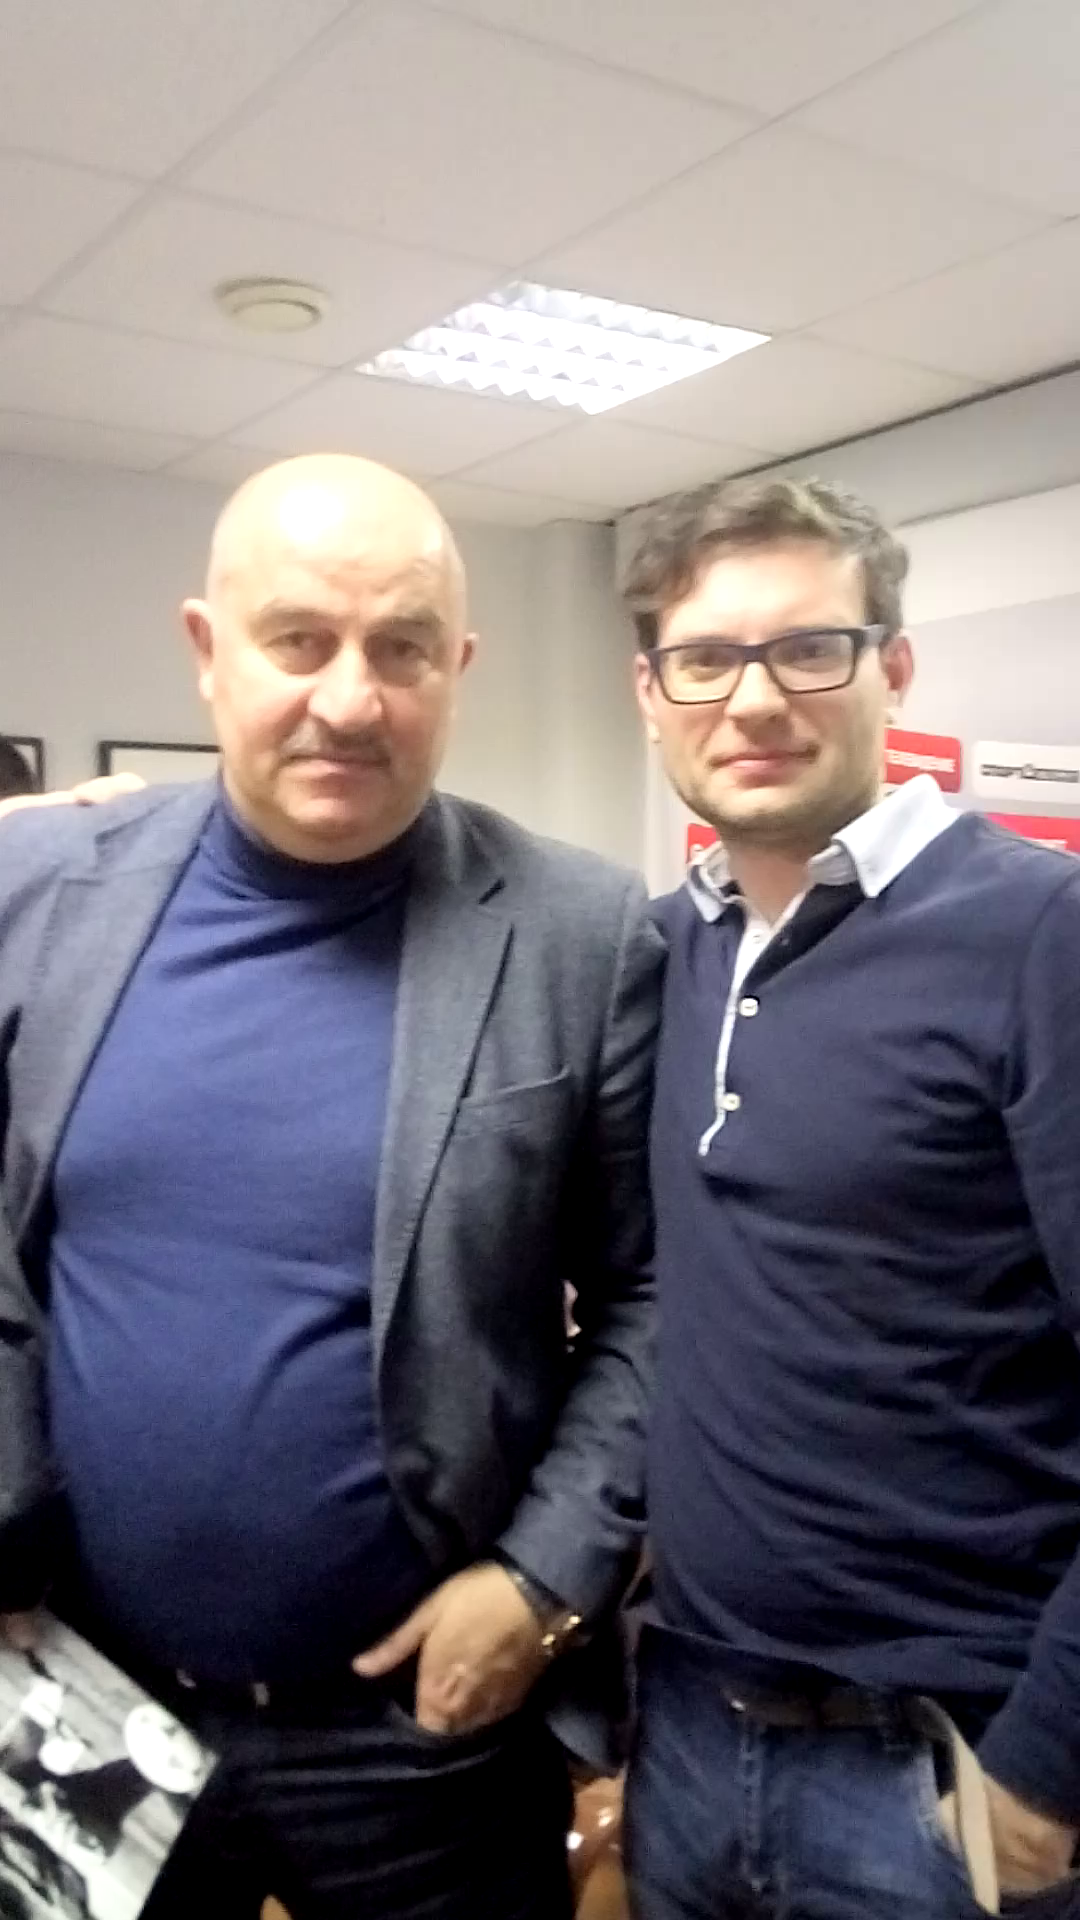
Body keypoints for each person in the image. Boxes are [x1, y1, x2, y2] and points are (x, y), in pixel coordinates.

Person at [0, 453, 662, 1920]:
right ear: (207, 651)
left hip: (418, 1737)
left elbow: (655, 1293)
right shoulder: (38, 895)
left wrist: (544, 1582)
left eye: (402, 648)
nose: (350, 700)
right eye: (298, 640)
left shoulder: (580, 933)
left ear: (457, 667)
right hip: (78, 1698)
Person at [621, 475, 1080, 1920]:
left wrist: (1051, 1772)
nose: (754, 699)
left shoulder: (1041, 937)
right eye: (707, 659)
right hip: (688, 1726)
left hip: (946, 1763)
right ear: (651, 694)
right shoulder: (662, 953)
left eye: (809, 649)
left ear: (894, 667)